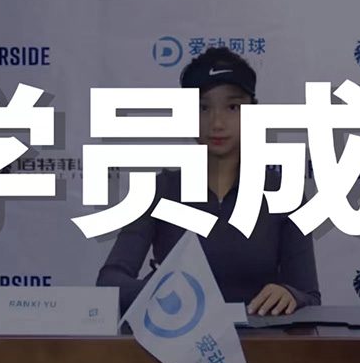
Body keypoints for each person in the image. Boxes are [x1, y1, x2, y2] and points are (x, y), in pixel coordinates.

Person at [96, 47, 321, 316]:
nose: (217, 123)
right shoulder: (159, 191)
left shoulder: (284, 193)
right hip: (175, 338)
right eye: (202, 108)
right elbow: (110, 283)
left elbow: (310, 296)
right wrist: (158, 293)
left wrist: (290, 294)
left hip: (262, 339)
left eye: (232, 107)